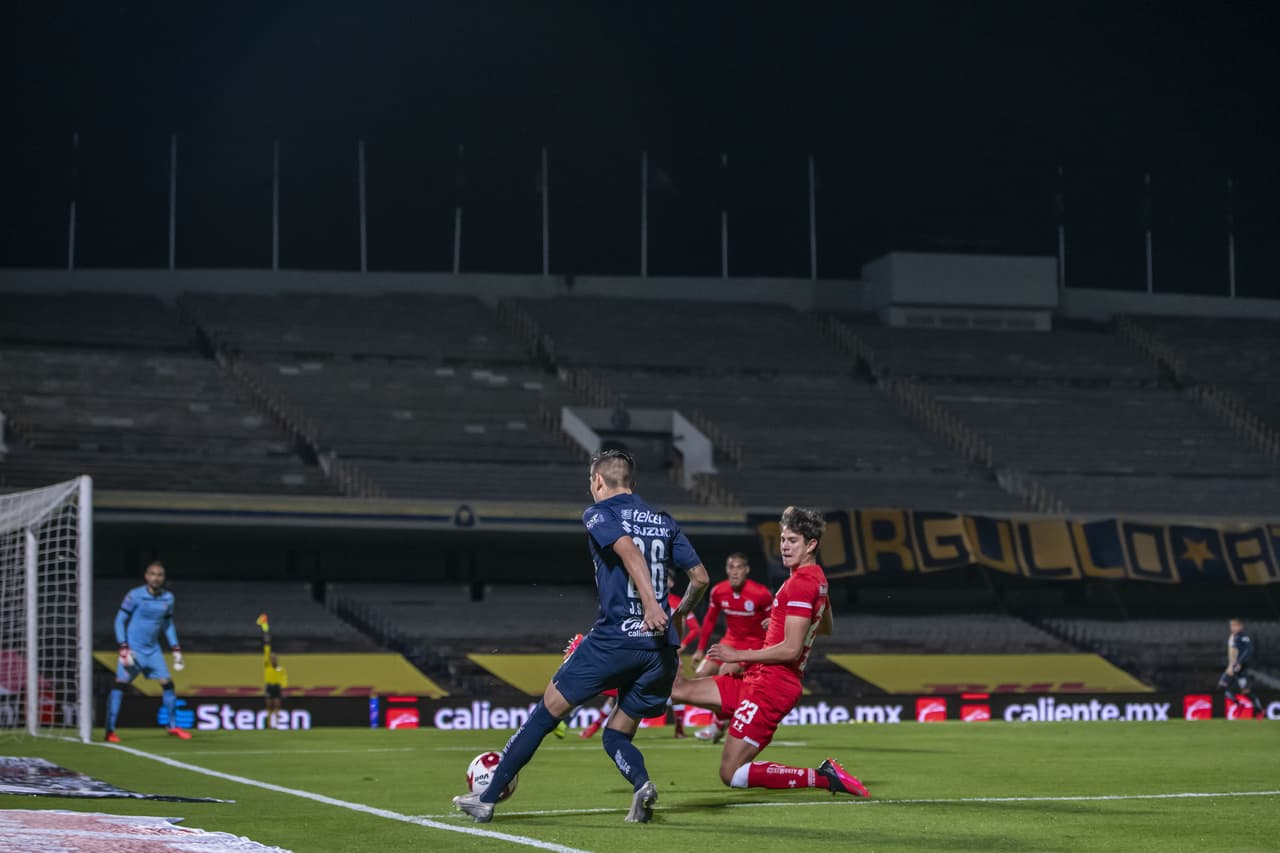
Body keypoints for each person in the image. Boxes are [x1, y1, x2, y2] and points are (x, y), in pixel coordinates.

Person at [454, 449, 709, 824]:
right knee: (616, 735)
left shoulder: (599, 513)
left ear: (599, 482)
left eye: (592, 483)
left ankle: (487, 798)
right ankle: (641, 786)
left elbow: (629, 553)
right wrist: (678, 613)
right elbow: (701, 578)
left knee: (544, 714)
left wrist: (653, 606)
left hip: (617, 639)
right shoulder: (662, 520)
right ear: (633, 484)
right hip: (660, 651)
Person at [670, 506, 868, 797]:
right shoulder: (813, 578)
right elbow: (824, 625)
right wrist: (779, 617)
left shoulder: (802, 583)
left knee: (731, 773)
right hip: (757, 679)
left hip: (772, 686)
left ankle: (824, 777)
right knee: (679, 688)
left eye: (793, 541)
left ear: (811, 544)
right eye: (783, 539)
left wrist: (739, 655)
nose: (785, 547)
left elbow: (790, 649)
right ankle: (660, 645)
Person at [690, 552, 773, 742]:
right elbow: (710, 620)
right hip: (729, 641)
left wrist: (768, 651)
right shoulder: (719, 591)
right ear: (726, 570)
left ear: (747, 570)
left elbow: (774, 620)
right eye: (731, 567)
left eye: (739, 567)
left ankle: (718, 724)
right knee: (701, 674)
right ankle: (721, 720)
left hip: (752, 645)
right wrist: (700, 649)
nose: (735, 572)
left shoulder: (760, 594)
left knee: (726, 671)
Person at [105, 561, 191, 742]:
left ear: (163, 578)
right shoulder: (134, 595)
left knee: (168, 683)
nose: (156, 578)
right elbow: (119, 621)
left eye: (159, 575)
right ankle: (110, 730)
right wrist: (123, 646)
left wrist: (175, 647)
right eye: (152, 574)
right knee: (120, 684)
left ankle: (173, 726)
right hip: (133, 650)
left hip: (153, 651)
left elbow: (168, 625)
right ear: (146, 576)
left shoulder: (168, 598)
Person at [1219, 617, 1265, 718]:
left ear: (1240, 626)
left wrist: (1239, 662)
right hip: (1235, 667)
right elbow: (1232, 651)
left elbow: (1248, 650)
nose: (1232, 627)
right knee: (1245, 691)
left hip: (1238, 667)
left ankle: (1240, 705)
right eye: (1231, 625)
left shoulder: (1243, 637)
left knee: (1224, 685)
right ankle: (1258, 709)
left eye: (1235, 625)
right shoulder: (1233, 636)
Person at [257, 613, 288, 727]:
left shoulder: (280, 669)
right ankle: (269, 722)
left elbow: (284, 678)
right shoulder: (267, 665)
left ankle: (277, 722)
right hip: (269, 686)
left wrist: (283, 687)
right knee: (269, 704)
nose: (273, 659)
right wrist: (266, 639)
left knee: (277, 704)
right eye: (272, 657)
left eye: (274, 658)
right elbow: (266, 650)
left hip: (277, 687)